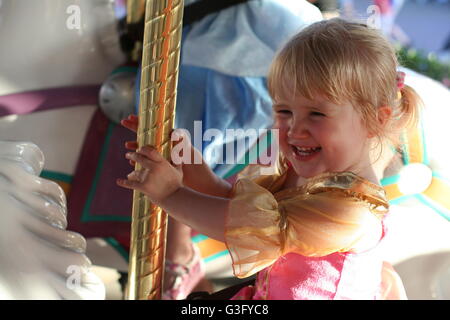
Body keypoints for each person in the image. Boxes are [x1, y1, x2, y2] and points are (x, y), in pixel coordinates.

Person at [117, 18, 420, 299]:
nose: (295, 129)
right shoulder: (301, 176)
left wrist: (170, 194)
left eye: (317, 113)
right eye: (284, 111)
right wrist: (183, 159)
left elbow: (254, 230)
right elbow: (236, 206)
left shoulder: (352, 210)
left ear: (375, 121)